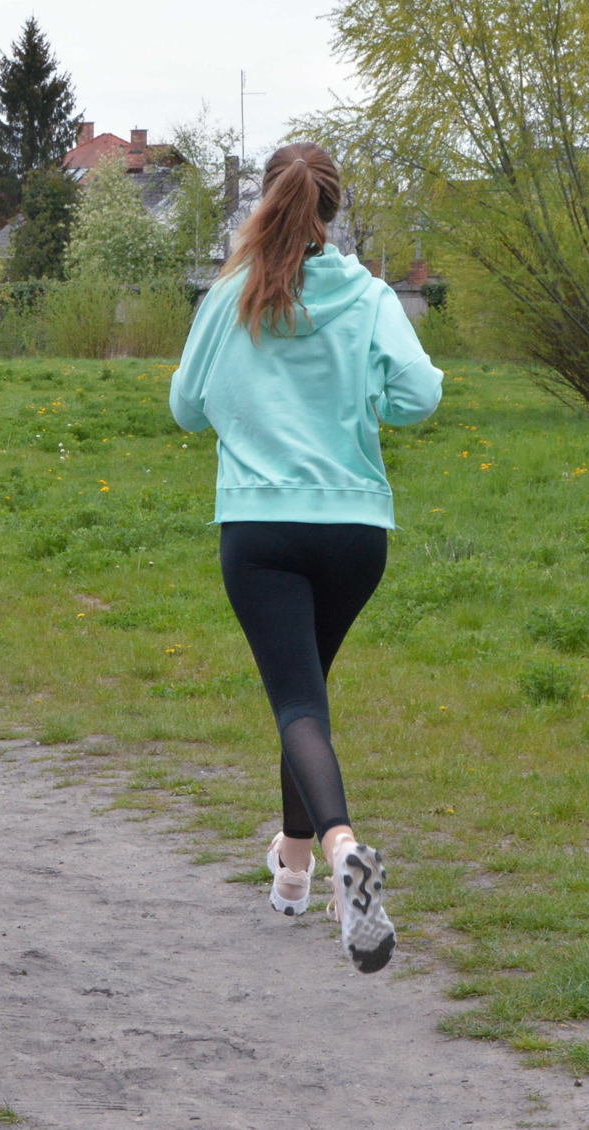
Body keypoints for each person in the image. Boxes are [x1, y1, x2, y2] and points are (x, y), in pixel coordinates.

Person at [168, 142, 443, 974]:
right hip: (355, 534)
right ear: (333, 208)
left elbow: (185, 408)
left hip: (260, 527)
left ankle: (343, 851)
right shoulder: (366, 293)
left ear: (270, 199)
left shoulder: (232, 293)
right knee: (306, 701)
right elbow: (419, 395)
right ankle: (292, 867)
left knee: (297, 702)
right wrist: (364, 402)